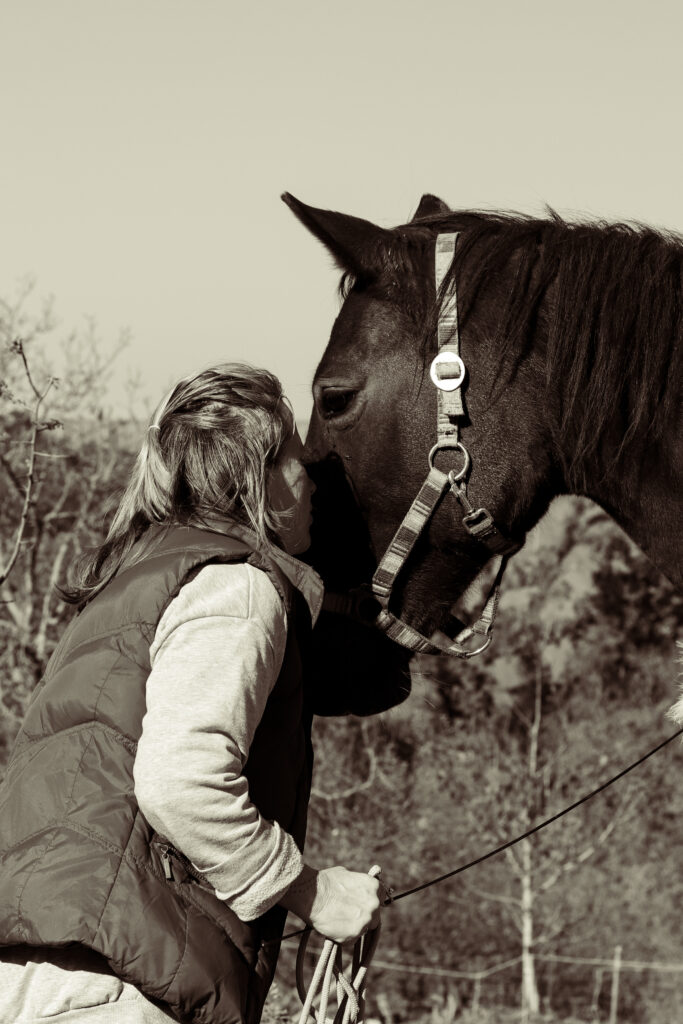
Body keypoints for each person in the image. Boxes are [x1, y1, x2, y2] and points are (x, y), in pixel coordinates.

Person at [0, 363, 384, 1024]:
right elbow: (181, 783)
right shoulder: (235, 589)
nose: (310, 478)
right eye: (295, 459)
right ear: (254, 482)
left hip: (42, 972)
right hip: (117, 989)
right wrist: (309, 890)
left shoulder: (129, 584)